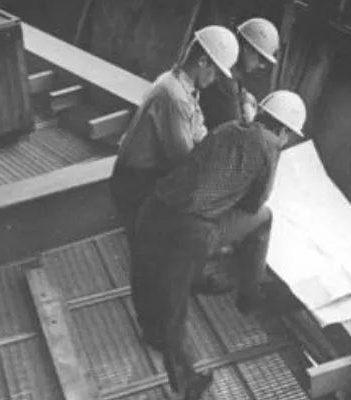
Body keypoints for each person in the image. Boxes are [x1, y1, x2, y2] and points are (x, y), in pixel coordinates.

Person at [130, 90, 307, 399]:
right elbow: (254, 203)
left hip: (152, 210)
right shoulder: (270, 146)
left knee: (148, 279)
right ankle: (247, 299)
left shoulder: (228, 127)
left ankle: (152, 332)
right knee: (263, 218)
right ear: (284, 130)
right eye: (289, 136)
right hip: (185, 233)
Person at [110, 26, 239, 242]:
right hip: (135, 182)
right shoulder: (175, 96)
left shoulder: (179, 84)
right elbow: (183, 160)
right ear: (203, 61)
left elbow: (201, 134)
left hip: (141, 175)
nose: (215, 78)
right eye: (215, 71)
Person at [201, 17, 281, 128]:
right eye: (261, 59)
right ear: (247, 49)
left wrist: (243, 95)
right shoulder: (228, 82)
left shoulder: (228, 69)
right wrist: (250, 115)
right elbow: (237, 132)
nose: (260, 65)